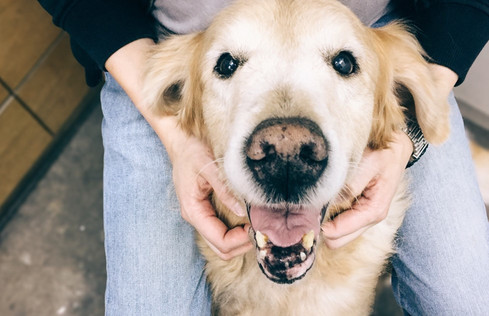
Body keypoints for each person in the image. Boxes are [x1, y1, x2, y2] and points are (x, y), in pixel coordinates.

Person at [39, 0, 489, 314]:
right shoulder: (176, 81)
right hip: (157, 50)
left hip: (377, 35)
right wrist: (176, 139)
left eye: (341, 62)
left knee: (468, 304)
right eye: (233, 62)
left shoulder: (391, 77)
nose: (286, 153)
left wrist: (407, 138)